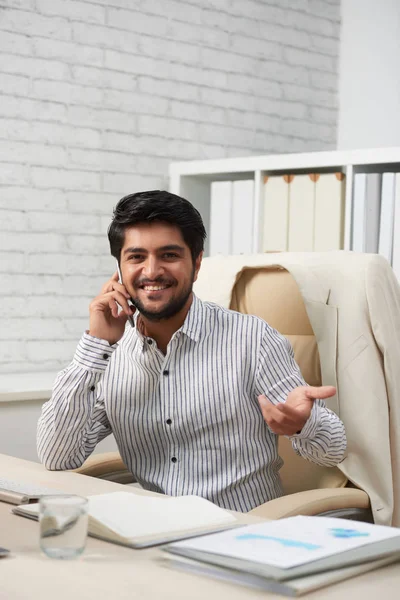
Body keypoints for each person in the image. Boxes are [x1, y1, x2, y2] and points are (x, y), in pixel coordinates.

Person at [37, 190, 346, 512]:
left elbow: (333, 450)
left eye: (169, 255)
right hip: (152, 533)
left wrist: (302, 424)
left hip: (240, 531)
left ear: (196, 264)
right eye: (136, 257)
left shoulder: (252, 339)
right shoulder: (110, 355)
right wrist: (96, 345)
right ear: (119, 268)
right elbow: (58, 456)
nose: (152, 271)